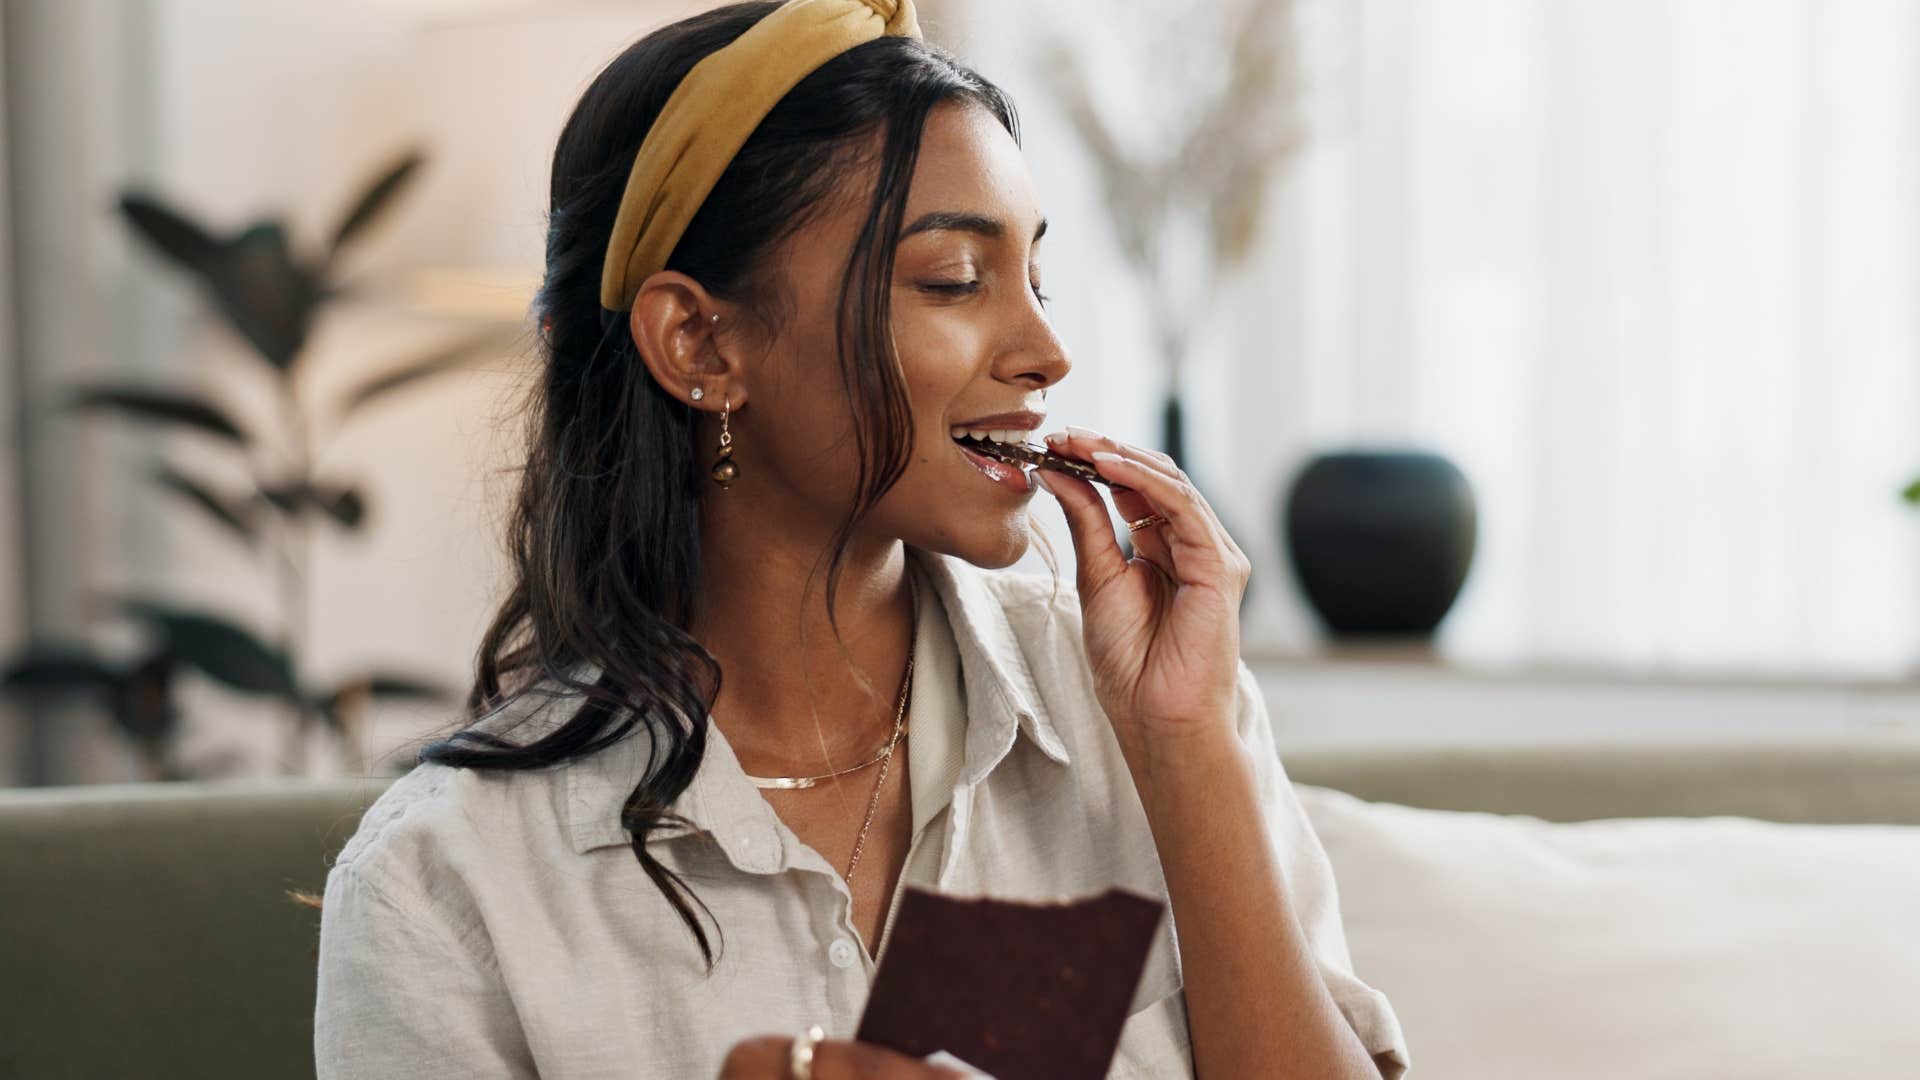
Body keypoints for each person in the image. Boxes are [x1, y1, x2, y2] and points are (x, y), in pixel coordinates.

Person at [312, 2, 1412, 1077]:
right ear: (698, 339)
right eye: (953, 280)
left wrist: (1188, 752)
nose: (1047, 349)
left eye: (1035, 274)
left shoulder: (1156, 709)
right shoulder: (445, 885)